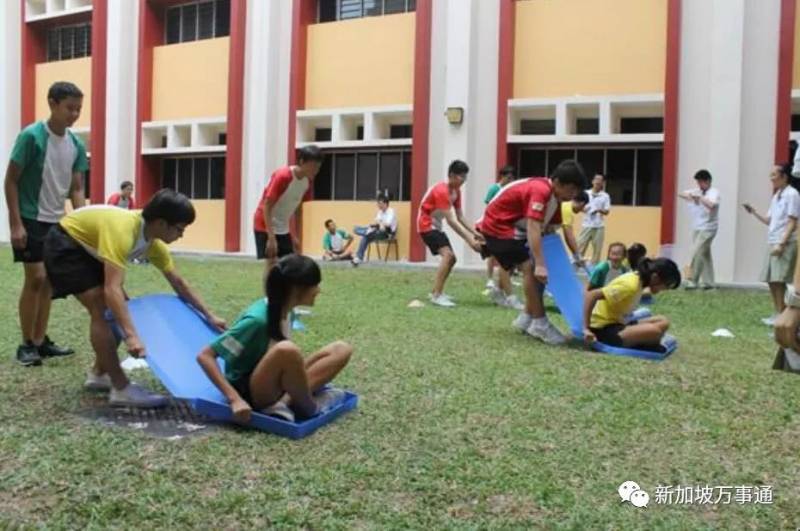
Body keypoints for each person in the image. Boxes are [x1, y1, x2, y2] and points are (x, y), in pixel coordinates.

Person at [42, 190, 227, 407]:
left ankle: (99, 374)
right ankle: (121, 388)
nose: (181, 235)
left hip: (87, 248)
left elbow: (179, 282)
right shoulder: (123, 231)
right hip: (65, 242)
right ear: (161, 223)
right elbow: (112, 288)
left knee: (119, 311)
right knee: (102, 309)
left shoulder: (152, 243)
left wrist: (209, 315)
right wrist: (131, 337)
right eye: (179, 229)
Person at [196, 254, 353, 423]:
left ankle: (285, 403)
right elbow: (205, 356)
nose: (318, 290)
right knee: (287, 350)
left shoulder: (287, 310)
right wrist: (235, 399)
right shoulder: (257, 321)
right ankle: (310, 408)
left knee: (341, 349)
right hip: (251, 391)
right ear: (296, 289)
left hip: (274, 380)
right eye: (315, 285)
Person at [4, 81, 88, 366]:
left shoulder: (76, 144)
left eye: (78, 109)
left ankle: (40, 342)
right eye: (69, 108)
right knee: (37, 278)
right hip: (30, 217)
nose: (74, 114)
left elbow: (77, 188)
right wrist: (16, 224)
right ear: (52, 103)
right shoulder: (32, 136)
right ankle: (26, 344)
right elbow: (11, 181)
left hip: (57, 221)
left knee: (50, 281)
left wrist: (83, 225)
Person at [477, 160, 586, 344]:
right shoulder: (540, 190)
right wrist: (540, 264)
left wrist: (557, 263)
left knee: (539, 269)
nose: (573, 195)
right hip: (498, 228)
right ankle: (540, 323)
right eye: (571, 189)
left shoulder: (556, 199)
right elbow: (533, 227)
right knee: (531, 267)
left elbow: (549, 231)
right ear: (557, 182)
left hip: (514, 229)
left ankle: (526, 317)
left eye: (576, 191)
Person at [417, 160, 483, 307]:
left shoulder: (456, 192)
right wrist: (470, 241)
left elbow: (460, 217)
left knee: (452, 259)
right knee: (448, 256)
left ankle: (436, 291)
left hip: (436, 226)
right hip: (426, 225)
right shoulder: (441, 191)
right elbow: (451, 221)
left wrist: (475, 233)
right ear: (452, 175)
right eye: (461, 177)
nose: (464, 180)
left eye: (465, 177)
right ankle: (436, 295)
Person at [743, 163, 800, 326]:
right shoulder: (776, 196)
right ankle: (778, 312)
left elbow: (792, 221)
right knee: (771, 279)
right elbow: (769, 220)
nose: (771, 178)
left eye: (774, 175)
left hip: (785, 242)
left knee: (780, 279)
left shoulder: (792, 194)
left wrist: (782, 243)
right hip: (772, 240)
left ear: (784, 177)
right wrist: (753, 212)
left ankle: (783, 315)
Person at [583, 258, 681, 352]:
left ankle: (646, 339)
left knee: (663, 321)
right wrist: (586, 329)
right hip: (602, 330)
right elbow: (591, 295)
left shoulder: (639, 281)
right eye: (666, 285)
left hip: (617, 323)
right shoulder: (630, 286)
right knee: (655, 332)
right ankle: (647, 341)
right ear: (655, 277)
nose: (665, 289)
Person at [253, 145, 323, 270]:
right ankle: (270, 284)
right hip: (265, 224)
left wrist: (297, 236)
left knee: (289, 264)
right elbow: (267, 205)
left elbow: (298, 209)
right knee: (272, 264)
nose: (316, 171)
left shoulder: (308, 182)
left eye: (318, 167)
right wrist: (271, 237)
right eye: (313, 166)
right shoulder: (284, 176)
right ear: (301, 161)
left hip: (283, 227)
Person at [679, 170, 720, 289]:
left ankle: (691, 280)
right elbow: (681, 194)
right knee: (704, 254)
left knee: (696, 252)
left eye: (701, 182)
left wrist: (701, 198)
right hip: (697, 226)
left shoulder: (714, 192)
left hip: (708, 228)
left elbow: (712, 205)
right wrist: (691, 196)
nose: (699, 185)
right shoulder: (697, 191)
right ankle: (709, 282)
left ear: (708, 181)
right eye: (698, 182)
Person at [484, 165, 516, 291]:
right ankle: (489, 278)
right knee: (492, 253)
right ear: (502, 176)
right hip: (493, 223)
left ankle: (507, 278)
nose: (510, 180)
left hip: (505, 224)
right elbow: (488, 204)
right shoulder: (494, 188)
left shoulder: (510, 189)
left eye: (512, 178)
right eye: (508, 177)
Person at [352, 194, 398, 265]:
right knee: (363, 235)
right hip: (377, 231)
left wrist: (380, 224)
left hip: (387, 233)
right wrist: (379, 224)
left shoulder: (391, 211)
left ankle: (365, 232)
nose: (378, 205)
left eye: (380, 203)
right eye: (378, 203)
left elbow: (388, 224)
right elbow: (377, 221)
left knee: (367, 233)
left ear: (385, 204)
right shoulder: (380, 212)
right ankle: (358, 258)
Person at [577, 174, 611, 265]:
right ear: (592, 181)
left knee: (597, 249)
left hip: (599, 226)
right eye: (596, 179)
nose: (597, 181)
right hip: (586, 225)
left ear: (603, 183)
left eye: (600, 180)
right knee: (580, 247)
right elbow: (577, 205)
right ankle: (576, 266)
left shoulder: (605, 196)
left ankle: (594, 267)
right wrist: (583, 209)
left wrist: (598, 210)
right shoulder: (585, 193)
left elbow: (607, 211)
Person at [560, 190, 589, 267]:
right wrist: (577, 255)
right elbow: (569, 235)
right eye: (583, 207)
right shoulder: (567, 208)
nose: (582, 210)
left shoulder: (565, 204)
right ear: (582, 203)